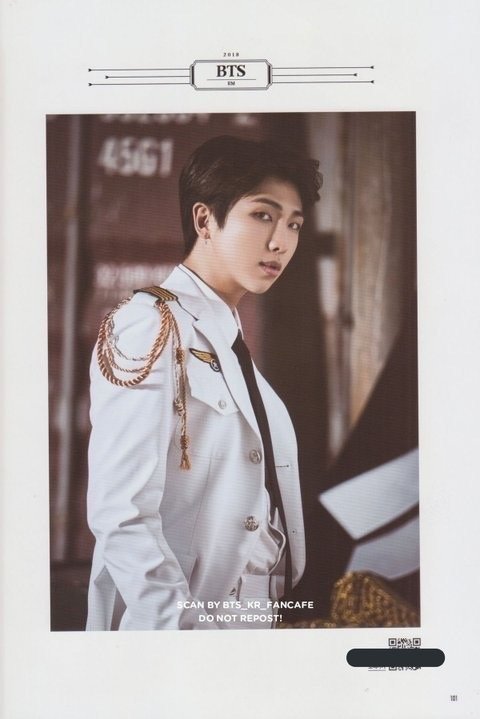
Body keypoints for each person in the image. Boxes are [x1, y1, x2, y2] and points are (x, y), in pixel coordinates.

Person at [86, 135, 322, 630]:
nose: (280, 242)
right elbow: (121, 513)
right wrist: (186, 639)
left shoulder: (225, 338)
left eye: (294, 224)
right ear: (204, 220)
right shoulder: (150, 326)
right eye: (262, 215)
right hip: (187, 634)